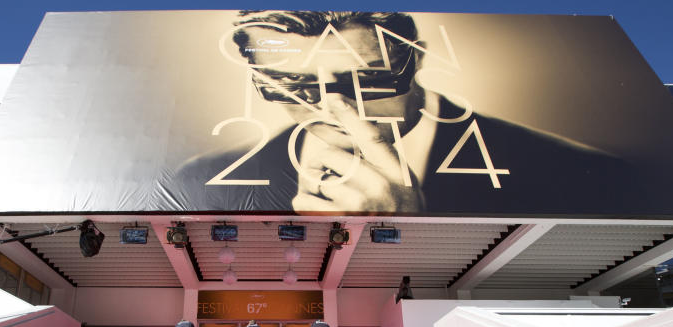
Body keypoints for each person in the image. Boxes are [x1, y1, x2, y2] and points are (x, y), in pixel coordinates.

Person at [170, 11, 634, 216]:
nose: (334, 108)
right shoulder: (202, 181)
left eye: (369, 81)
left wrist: (407, 233)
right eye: (293, 87)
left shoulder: (585, 175)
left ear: (418, 59)